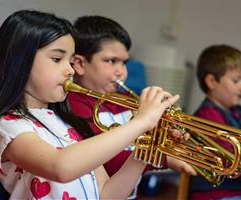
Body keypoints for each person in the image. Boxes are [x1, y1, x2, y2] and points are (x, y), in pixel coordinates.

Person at [0, 10, 183, 199]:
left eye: (71, 60)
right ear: (19, 62)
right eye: (57, 59)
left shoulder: (69, 124)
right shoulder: (9, 126)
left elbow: (107, 195)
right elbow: (60, 167)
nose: (71, 70)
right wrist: (140, 122)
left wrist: (144, 150)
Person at [66, 15, 197, 198]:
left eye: (124, 62)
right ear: (80, 64)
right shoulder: (73, 106)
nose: (121, 71)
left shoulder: (127, 99)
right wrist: (162, 157)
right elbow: (104, 160)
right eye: (111, 61)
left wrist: (167, 137)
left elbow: (137, 142)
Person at [190, 44, 241, 200]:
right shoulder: (207, 116)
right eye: (236, 80)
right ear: (212, 81)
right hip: (216, 194)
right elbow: (227, 162)